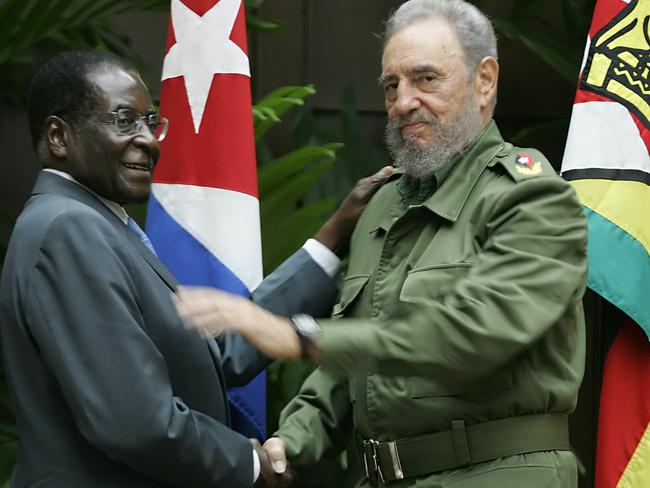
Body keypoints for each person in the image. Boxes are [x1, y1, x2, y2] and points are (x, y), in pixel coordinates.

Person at [174, 0, 589, 486]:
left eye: (426, 79)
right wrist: (292, 439)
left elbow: (472, 333)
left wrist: (296, 335)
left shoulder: (533, 199)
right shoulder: (382, 205)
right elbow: (354, 363)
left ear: (485, 80)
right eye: (392, 85)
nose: (403, 101)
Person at [0, 50, 393, 487]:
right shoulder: (68, 230)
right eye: (124, 120)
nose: (149, 140)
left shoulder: (98, 223)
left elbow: (208, 356)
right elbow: (135, 421)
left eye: (151, 122)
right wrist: (248, 464)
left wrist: (331, 239)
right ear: (59, 136)